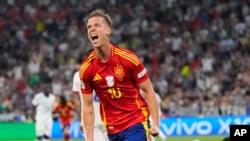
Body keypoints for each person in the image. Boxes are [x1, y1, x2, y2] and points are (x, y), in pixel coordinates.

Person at [79, 9, 159, 141]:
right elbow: (87, 106)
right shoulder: (86, 68)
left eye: (97, 25)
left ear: (108, 31)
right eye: (89, 27)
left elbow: (148, 90)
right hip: (112, 129)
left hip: (136, 122)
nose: (92, 29)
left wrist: (155, 123)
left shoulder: (128, 59)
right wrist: (89, 138)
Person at [72, 70, 109, 141]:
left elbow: (77, 103)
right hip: (107, 117)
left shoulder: (78, 75)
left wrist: (81, 121)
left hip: (89, 119)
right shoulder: (106, 70)